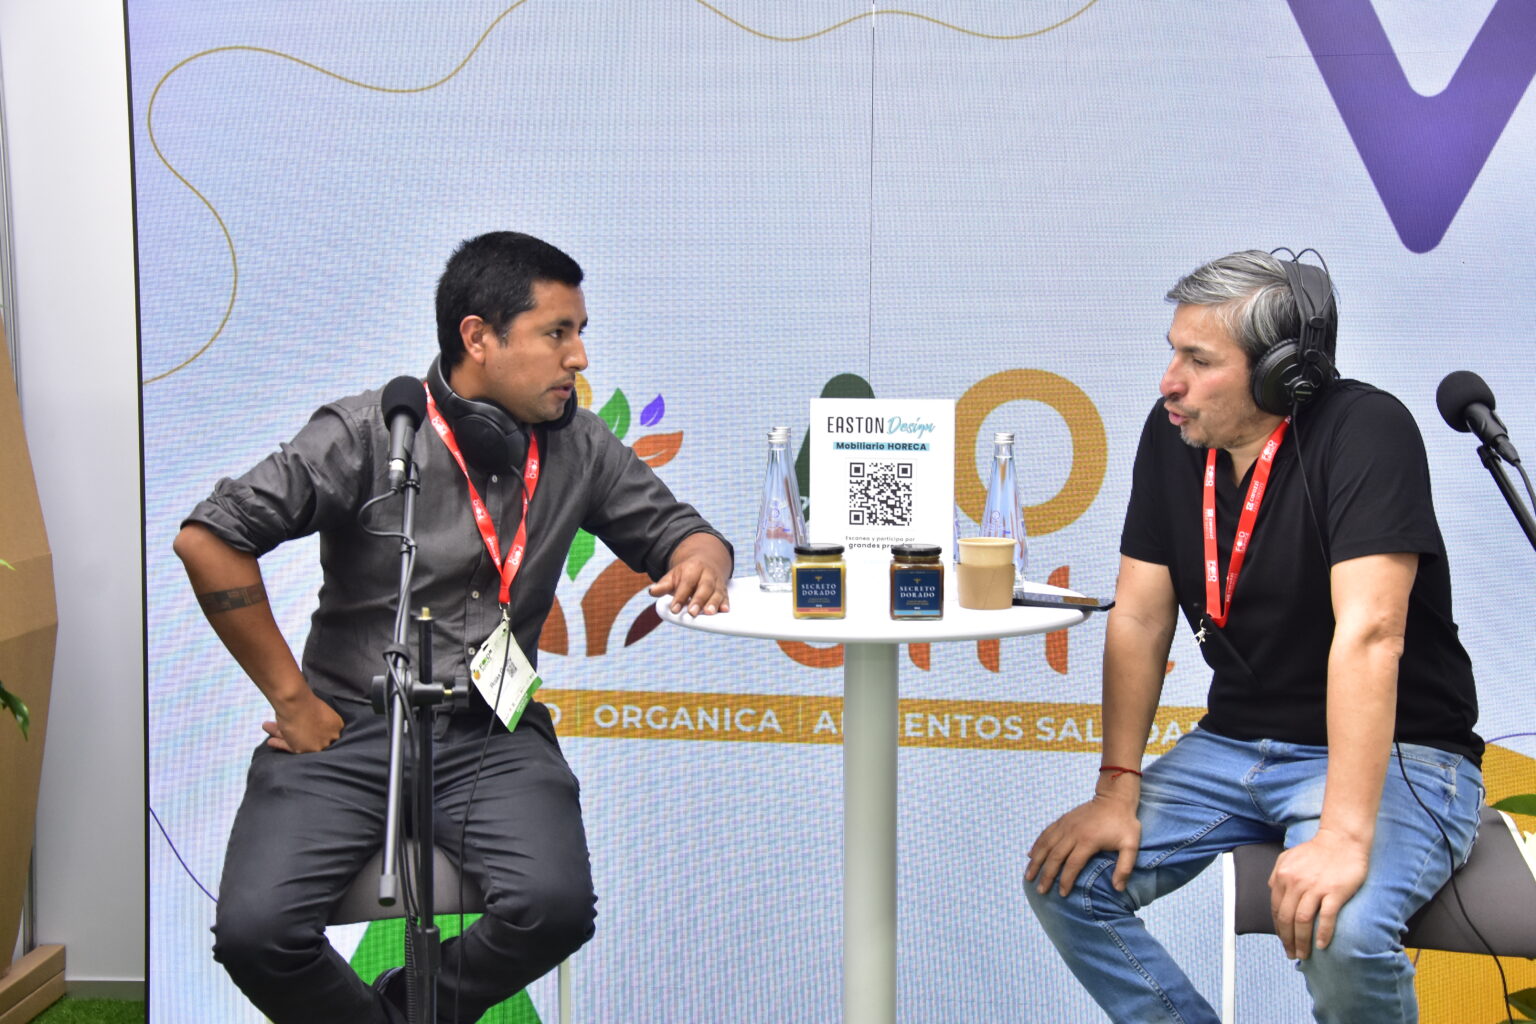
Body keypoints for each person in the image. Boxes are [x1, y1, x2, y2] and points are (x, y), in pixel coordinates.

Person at [173, 231, 734, 1023]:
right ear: (478, 336)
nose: (578, 358)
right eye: (557, 332)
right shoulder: (369, 431)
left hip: (492, 730)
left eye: (580, 332)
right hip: (348, 728)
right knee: (257, 934)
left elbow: (684, 532)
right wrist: (291, 701)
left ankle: (409, 1012)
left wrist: (701, 558)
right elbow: (208, 539)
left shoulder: (580, 444)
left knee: (555, 909)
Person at [1023, 249, 1482, 1024]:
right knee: (1067, 881)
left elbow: (1371, 633)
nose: (1169, 381)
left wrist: (1342, 835)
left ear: (1280, 375)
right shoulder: (1172, 434)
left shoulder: (1366, 430)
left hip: (1399, 750)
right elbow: (1140, 616)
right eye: (1173, 352)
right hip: (1237, 742)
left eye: (1198, 360)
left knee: (1345, 933)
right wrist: (1116, 788)